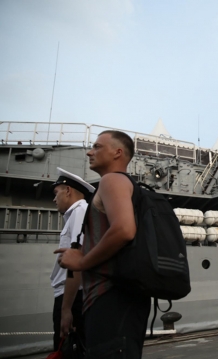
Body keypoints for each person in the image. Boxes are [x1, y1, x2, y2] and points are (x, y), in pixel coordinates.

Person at [56, 130, 151, 359]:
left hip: (110, 298)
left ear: (118, 152)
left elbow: (124, 230)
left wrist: (82, 261)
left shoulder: (111, 180)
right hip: (125, 296)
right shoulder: (129, 186)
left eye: (97, 146)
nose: (90, 151)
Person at [50, 168, 95, 351]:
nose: (54, 199)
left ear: (67, 190)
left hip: (73, 297)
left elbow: (77, 260)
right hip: (73, 296)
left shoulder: (79, 212)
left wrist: (66, 309)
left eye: (56, 192)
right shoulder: (78, 213)